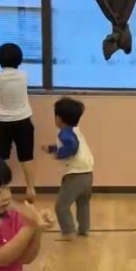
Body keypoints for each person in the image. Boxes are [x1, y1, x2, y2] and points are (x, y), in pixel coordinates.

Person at [43, 98, 95, 239]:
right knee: (83, 203)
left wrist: (59, 154)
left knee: (61, 205)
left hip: (76, 175)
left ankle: (68, 232)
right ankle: (84, 229)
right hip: (88, 174)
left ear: (58, 118)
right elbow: (69, 144)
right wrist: (52, 148)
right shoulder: (75, 131)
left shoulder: (64, 133)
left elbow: (71, 146)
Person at [0, 43, 37, 202]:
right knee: (26, 155)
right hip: (23, 120)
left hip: (3, 122)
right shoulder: (24, 75)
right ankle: (30, 188)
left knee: (2, 154)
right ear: (19, 59)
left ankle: (2, 186)